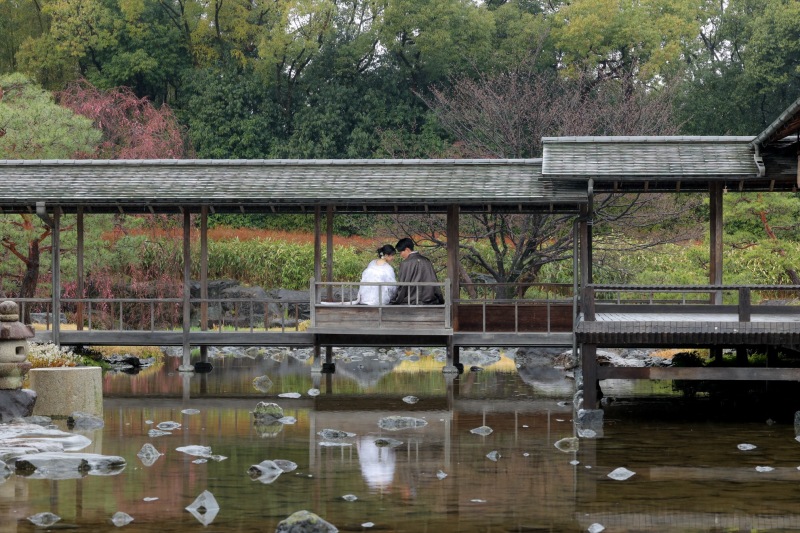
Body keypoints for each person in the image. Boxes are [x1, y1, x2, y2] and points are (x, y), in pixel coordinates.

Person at [390, 238, 444, 305]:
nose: (401, 255)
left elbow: (402, 285)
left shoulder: (405, 263)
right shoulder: (427, 261)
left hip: (411, 301)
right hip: (429, 300)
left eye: (401, 252)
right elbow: (434, 281)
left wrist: (395, 299)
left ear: (407, 249)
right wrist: (440, 299)